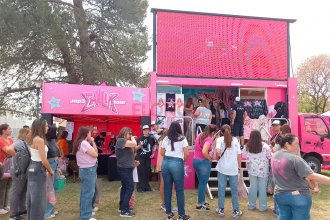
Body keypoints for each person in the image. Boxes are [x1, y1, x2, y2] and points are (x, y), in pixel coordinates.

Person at [272, 134, 330, 220]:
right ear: (287, 144)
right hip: (298, 196)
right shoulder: (295, 159)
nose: (298, 146)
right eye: (296, 143)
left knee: (283, 216)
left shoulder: (275, 155)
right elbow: (311, 176)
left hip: (280, 195)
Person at [160, 121, 190, 220]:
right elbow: (186, 154)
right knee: (179, 190)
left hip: (166, 162)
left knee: (167, 189)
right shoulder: (182, 138)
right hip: (177, 163)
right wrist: (181, 161)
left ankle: (169, 214)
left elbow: (162, 153)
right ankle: (181, 215)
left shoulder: (166, 138)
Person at [26, 119, 54, 220]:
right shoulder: (39, 140)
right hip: (38, 168)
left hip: (33, 167)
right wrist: (51, 170)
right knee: (38, 199)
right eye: (46, 126)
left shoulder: (32, 137)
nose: (47, 128)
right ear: (41, 127)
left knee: (32, 197)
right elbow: (44, 160)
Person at [215, 124, 243, 218]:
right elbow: (239, 155)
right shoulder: (235, 140)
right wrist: (239, 167)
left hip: (222, 168)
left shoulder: (219, 140)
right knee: (234, 190)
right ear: (230, 130)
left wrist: (218, 153)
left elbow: (218, 153)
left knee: (221, 189)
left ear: (221, 132)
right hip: (233, 168)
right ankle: (236, 210)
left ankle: (221, 209)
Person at [73, 127, 98, 220]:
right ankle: (85, 216)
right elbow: (95, 154)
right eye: (90, 133)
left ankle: (85, 214)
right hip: (88, 170)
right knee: (88, 194)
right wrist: (93, 142)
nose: (91, 135)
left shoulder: (81, 142)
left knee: (86, 193)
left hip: (86, 170)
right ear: (86, 134)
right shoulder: (84, 143)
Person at [242, 130, 272, 212]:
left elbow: (243, 155)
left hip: (252, 169)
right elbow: (270, 157)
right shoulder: (265, 146)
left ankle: (251, 205)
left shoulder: (247, 146)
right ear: (260, 136)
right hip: (263, 170)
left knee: (252, 187)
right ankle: (263, 206)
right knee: (263, 188)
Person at [193, 124, 217, 211]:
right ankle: (200, 204)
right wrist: (209, 158)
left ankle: (202, 201)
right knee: (203, 183)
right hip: (203, 162)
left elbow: (199, 148)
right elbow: (204, 151)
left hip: (195, 160)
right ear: (213, 132)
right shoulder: (208, 139)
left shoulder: (199, 135)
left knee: (201, 183)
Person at [115, 127, 138, 217]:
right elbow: (134, 144)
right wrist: (133, 138)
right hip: (124, 168)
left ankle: (123, 207)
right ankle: (124, 210)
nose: (130, 135)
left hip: (126, 167)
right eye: (129, 134)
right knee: (129, 188)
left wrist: (134, 162)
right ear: (124, 133)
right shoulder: (121, 140)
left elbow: (128, 154)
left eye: (131, 134)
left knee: (125, 188)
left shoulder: (124, 142)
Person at [9, 128, 30, 220]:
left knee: (23, 191)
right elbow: (9, 149)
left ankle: (22, 209)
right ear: (25, 134)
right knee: (16, 192)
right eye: (29, 133)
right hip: (18, 171)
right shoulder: (18, 143)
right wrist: (16, 157)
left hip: (24, 171)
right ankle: (13, 213)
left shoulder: (26, 143)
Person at [44, 125, 61, 219]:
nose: (57, 133)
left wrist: (58, 166)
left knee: (54, 188)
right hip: (49, 164)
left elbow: (57, 154)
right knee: (49, 189)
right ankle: (47, 212)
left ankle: (51, 209)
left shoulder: (53, 141)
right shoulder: (45, 142)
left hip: (54, 163)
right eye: (56, 131)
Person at [0, 124, 15, 215]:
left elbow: (13, 150)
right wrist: (16, 154)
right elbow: (8, 150)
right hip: (2, 164)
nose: (11, 130)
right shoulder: (0, 140)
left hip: (11, 164)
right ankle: (0, 206)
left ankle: (5, 205)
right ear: (3, 130)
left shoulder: (10, 140)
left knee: (8, 185)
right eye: (9, 129)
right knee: (2, 186)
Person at [136, 125, 155, 192]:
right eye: (145, 130)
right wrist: (140, 145)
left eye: (147, 129)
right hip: (140, 157)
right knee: (141, 172)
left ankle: (147, 187)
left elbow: (154, 147)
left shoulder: (152, 139)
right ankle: (140, 188)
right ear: (143, 131)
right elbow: (135, 149)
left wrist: (153, 153)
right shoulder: (139, 138)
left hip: (147, 158)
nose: (146, 131)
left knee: (147, 172)